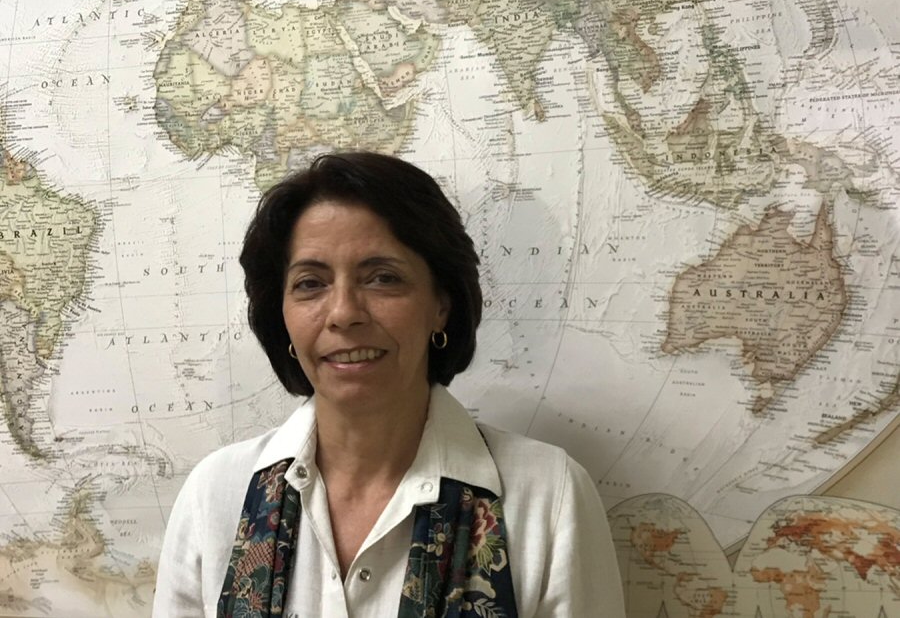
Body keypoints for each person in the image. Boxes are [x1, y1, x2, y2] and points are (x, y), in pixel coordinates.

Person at [152, 152, 626, 618]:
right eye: (310, 284)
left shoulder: (548, 498)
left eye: (382, 278)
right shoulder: (216, 495)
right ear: (282, 315)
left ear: (441, 305)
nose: (343, 313)